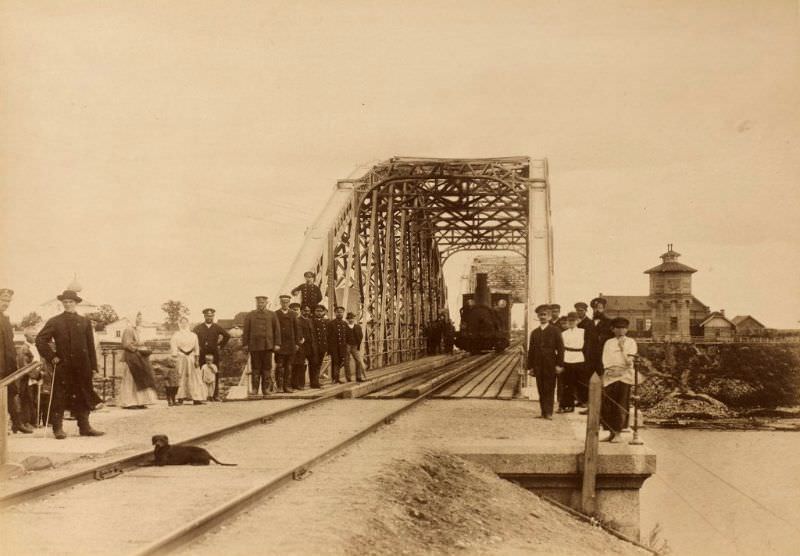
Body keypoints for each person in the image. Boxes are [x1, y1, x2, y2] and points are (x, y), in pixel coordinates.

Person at [35, 289, 104, 438]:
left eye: (70, 302)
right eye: (65, 302)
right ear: (62, 303)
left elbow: (90, 345)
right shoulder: (55, 321)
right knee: (59, 396)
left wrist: (93, 366)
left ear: (76, 303)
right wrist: (52, 357)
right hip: (63, 366)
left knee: (83, 394)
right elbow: (40, 340)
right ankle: (58, 429)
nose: (68, 304)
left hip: (83, 366)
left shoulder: (85, 321)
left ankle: (85, 427)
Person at [2, 288, 35, 434]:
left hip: (7, 365)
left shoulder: (6, 320)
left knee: (11, 394)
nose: (6, 303)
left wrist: (12, 364)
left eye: (8, 301)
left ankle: (17, 423)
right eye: (3, 300)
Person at [601, 317, 637, 443]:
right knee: (608, 405)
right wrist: (609, 370)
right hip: (610, 376)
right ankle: (611, 432)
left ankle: (618, 433)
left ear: (627, 330)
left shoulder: (631, 342)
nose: (621, 331)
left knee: (620, 404)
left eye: (623, 328)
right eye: (618, 328)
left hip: (624, 376)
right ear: (613, 329)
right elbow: (605, 359)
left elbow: (629, 362)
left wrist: (622, 348)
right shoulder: (608, 342)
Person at [526, 304, 564, 419]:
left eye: (545, 315)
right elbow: (531, 350)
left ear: (549, 317)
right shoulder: (535, 332)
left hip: (550, 364)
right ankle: (543, 412)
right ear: (538, 316)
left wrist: (559, 365)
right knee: (541, 388)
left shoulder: (555, 331)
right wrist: (530, 367)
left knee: (549, 388)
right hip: (538, 365)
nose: (542, 317)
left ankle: (548, 413)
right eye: (540, 315)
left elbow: (561, 349)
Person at [242, 296, 281, 396]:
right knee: (255, 368)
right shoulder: (250, 315)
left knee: (267, 368)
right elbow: (246, 331)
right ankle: (255, 389)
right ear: (256, 303)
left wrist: (277, 343)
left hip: (268, 345)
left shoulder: (272, 314)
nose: (260, 304)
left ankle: (266, 389)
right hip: (254, 346)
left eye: (262, 302)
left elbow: (277, 330)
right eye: (259, 302)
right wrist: (245, 344)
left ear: (266, 303)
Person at [119, 313, 158, 409]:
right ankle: (129, 402)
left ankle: (139, 401)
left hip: (137, 356)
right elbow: (126, 344)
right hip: (131, 357)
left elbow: (135, 342)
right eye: (138, 318)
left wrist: (141, 346)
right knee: (131, 379)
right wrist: (138, 348)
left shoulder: (135, 330)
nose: (140, 320)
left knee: (139, 378)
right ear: (133, 319)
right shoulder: (128, 330)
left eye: (140, 318)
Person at [193, 308, 231, 401]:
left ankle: (215, 395)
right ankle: (202, 395)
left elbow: (227, 335)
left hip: (214, 354)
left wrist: (220, 345)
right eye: (207, 316)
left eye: (211, 316)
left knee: (215, 373)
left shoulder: (216, 327)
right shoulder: (198, 328)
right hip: (202, 353)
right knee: (201, 373)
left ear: (213, 316)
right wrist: (197, 347)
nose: (209, 317)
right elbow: (192, 338)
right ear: (204, 316)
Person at [170, 317, 206, 405]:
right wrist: (175, 357)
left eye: (185, 323)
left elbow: (196, 347)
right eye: (182, 323)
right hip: (180, 357)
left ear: (188, 324)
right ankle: (180, 397)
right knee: (181, 376)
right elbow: (174, 347)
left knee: (194, 377)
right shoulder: (176, 335)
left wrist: (197, 359)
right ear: (179, 324)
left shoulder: (193, 335)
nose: (184, 325)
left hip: (191, 357)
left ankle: (196, 398)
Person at [274, 295, 303, 393]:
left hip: (291, 344)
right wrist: (275, 343)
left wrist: (297, 343)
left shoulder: (293, 314)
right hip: (280, 344)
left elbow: (297, 329)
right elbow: (273, 330)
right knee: (279, 366)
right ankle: (279, 386)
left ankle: (287, 386)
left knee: (289, 366)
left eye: (287, 302)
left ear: (289, 303)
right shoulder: (276, 314)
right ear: (280, 303)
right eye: (283, 302)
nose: (285, 304)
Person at [17, 327, 44, 428]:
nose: (35, 337)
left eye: (36, 335)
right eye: (33, 335)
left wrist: (41, 373)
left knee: (34, 399)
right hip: (27, 378)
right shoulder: (24, 349)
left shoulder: (35, 347)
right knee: (26, 399)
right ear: (26, 336)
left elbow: (40, 361)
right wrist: (35, 375)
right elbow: (24, 365)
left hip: (36, 377)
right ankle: (26, 421)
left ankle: (34, 421)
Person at [558, 312, 584, 413]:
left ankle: (582, 402)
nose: (571, 322)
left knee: (579, 383)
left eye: (573, 320)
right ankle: (567, 405)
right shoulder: (564, 333)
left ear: (578, 321)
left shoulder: (583, 332)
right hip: (567, 358)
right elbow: (561, 348)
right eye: (569, 320)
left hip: (579, 358)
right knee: (567, 383)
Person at [573, 301, 597, 407]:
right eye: (578, 310)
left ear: (585, 311)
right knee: (577, 377)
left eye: (581, 310)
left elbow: (591, 340)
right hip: (575, 353)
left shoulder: (589, 323)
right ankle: (579, 399)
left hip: (585, 354)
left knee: (584, 378)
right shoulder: (575, 322)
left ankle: (586, 400)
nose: (579, 312)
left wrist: (586, 354)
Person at [293, 304, 316, 389]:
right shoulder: (298, 320)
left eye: (308, 311)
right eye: (305, 311)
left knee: (313, 364)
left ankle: (314, 383)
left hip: (311, 346)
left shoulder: (310, 321)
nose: (307, 312)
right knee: (301, 365)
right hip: (302, 346)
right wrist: (300, 342)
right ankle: (300, 384)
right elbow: (298, 333)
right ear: (301, 311)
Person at [327, 306, 349, 384]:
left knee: (340, 361)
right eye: (338, 312)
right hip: (334, 347)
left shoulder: (345, 323)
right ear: (335, 313)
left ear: (343, 313)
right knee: (335, 362)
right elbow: (328, 336)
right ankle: (334, 378)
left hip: (342, 347)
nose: (339, 313)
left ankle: (337, 377)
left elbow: (347, 336)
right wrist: (329, 348)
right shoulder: (331, 323)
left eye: (341, 312)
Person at [310, 304, 329, 388]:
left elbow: (327, 335)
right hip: (314, 347)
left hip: (322, 346)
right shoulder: (311, 321)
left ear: (323, 312)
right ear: (314, 312)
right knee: (314, 364)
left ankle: (316, 381)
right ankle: (314, 382)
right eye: (317, 311)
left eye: (321, 311)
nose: (319, 313)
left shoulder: (325, 322)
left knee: (319, 364)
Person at [345, 312, 367, 382]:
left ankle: (358, 377)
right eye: (349, 318)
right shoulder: (345, 327)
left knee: (358, 361)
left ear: (354, 319)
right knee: (347, 362)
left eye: (352, 318)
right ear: (347, 319)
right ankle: (348, 378)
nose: (351, 320)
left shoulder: (357, 327)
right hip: (347, 345)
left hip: (355, 345)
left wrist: (358, 343)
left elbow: (361, 335)